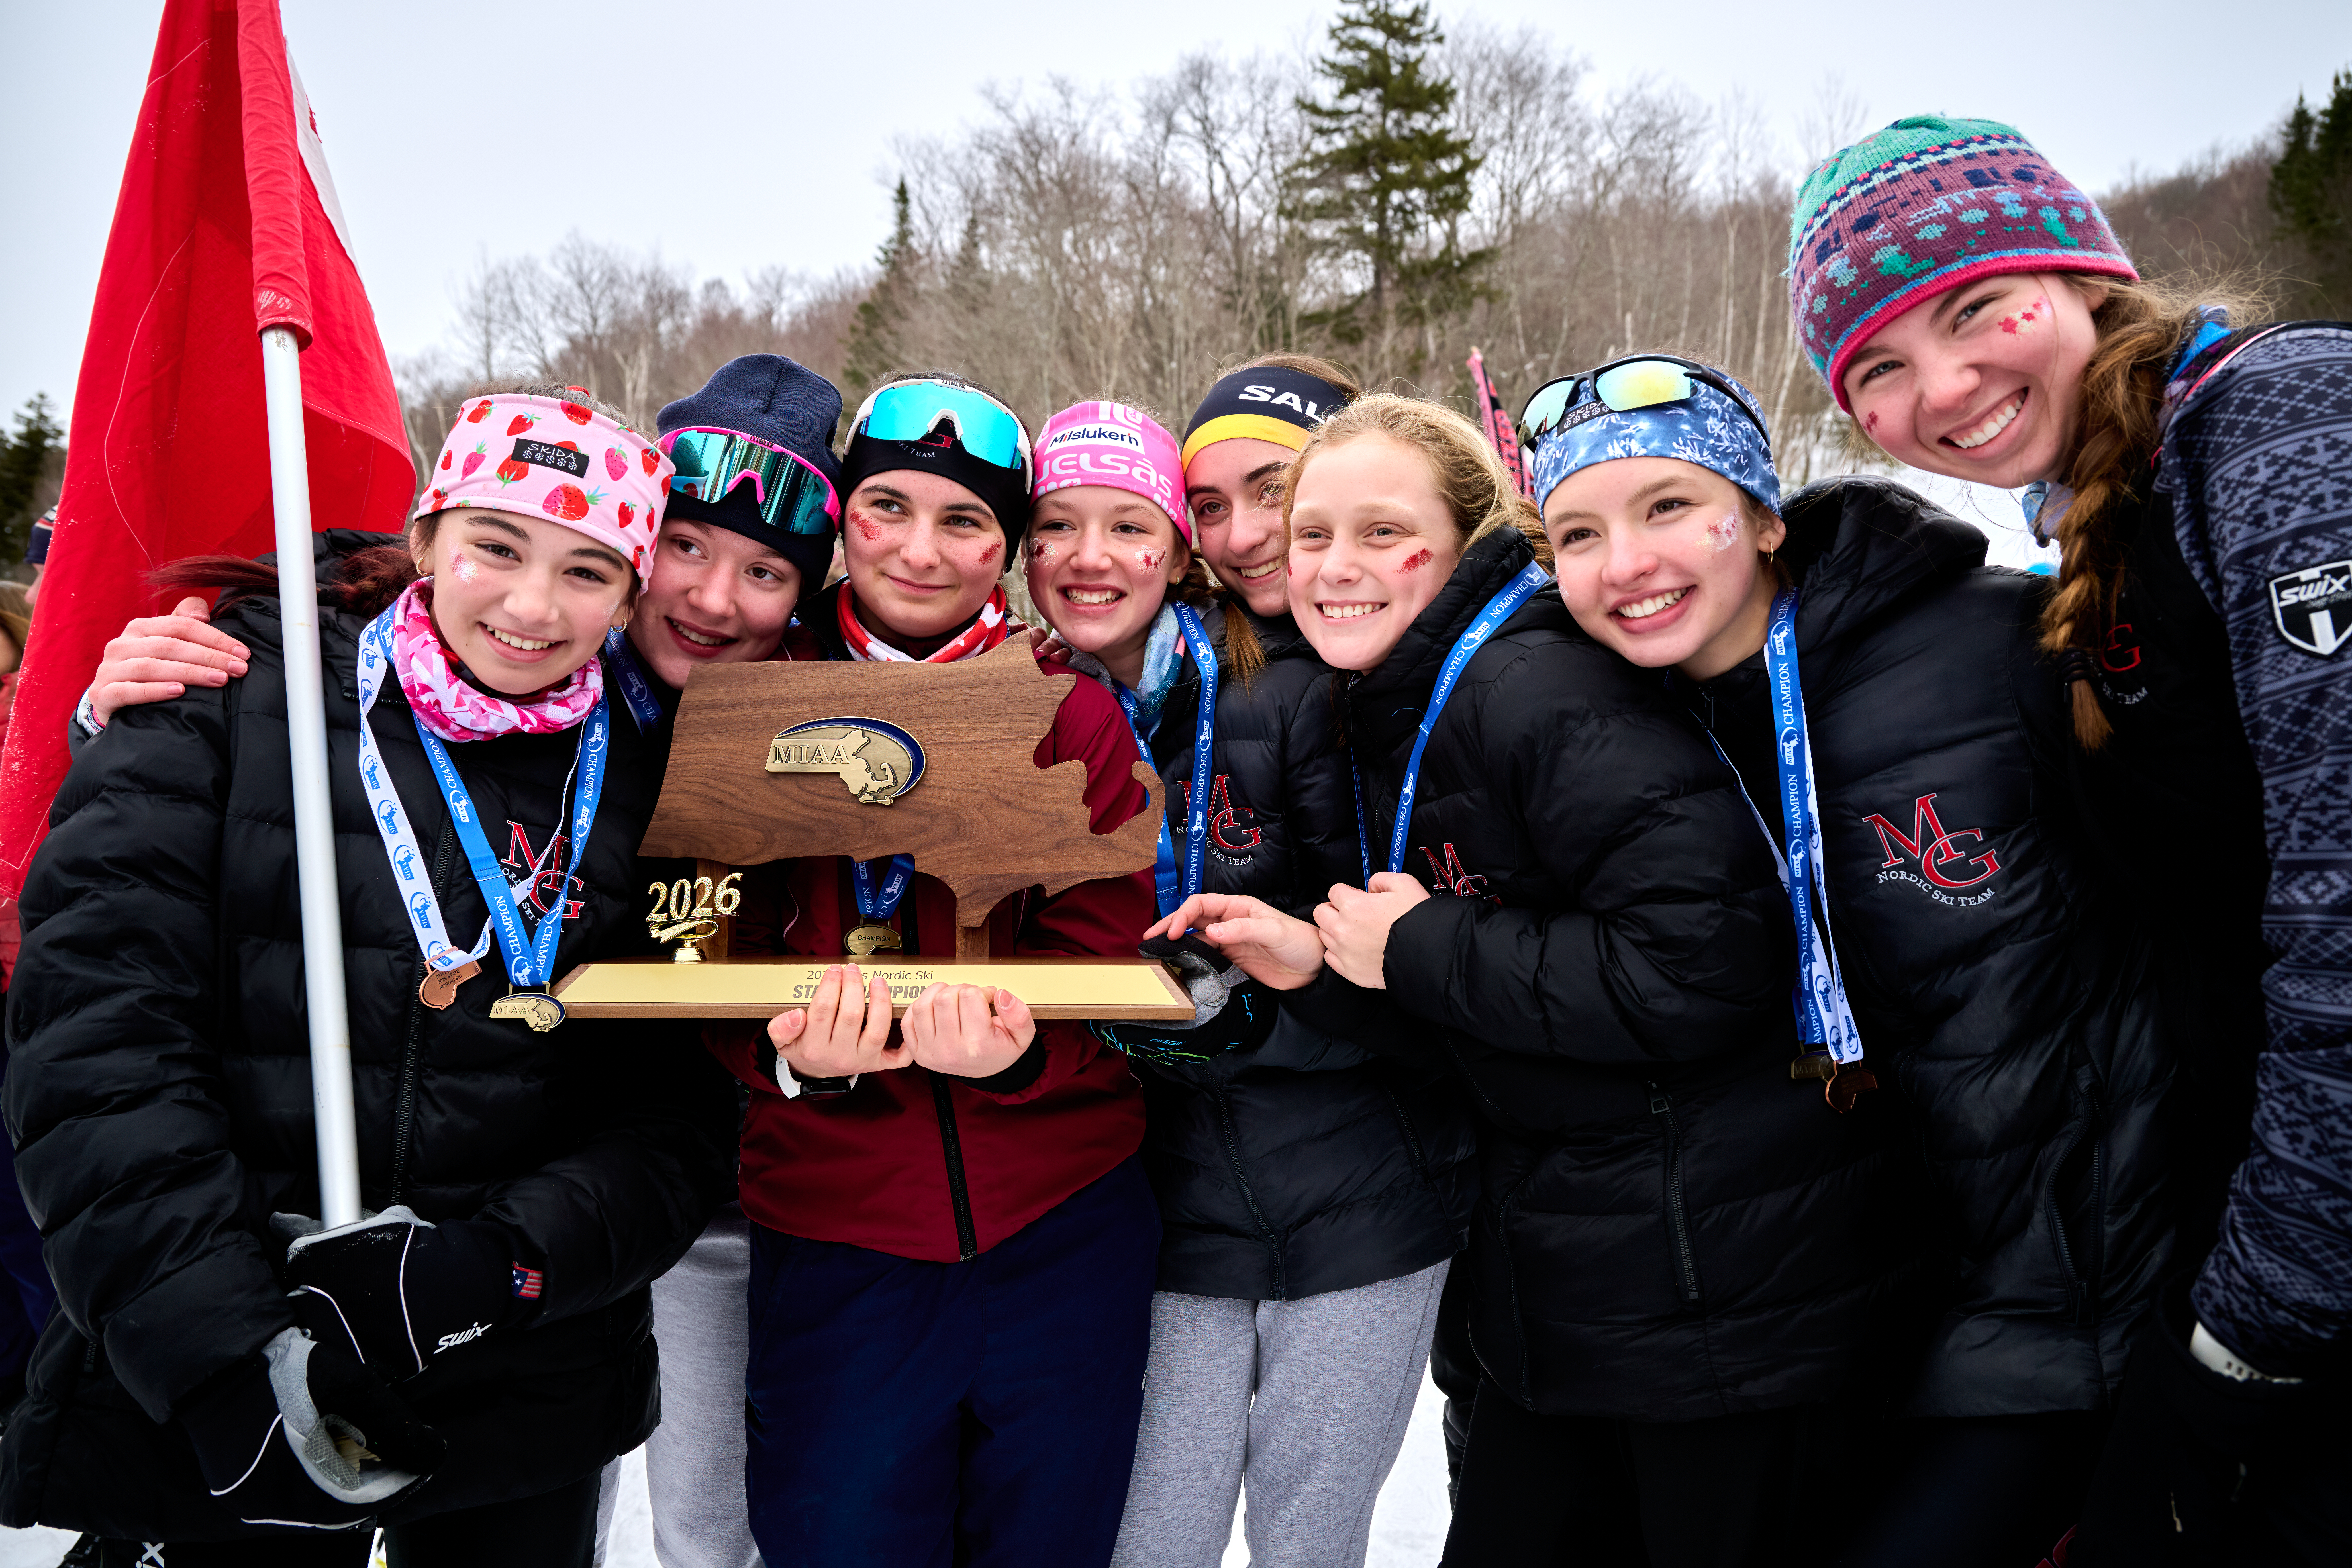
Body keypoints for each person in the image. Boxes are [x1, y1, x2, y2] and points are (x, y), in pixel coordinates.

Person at [74, 358, 845, 1568]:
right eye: (497, 546)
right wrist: (220, 1350)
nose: (535, 606)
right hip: (222, 1366)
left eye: (587, 569)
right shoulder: (226, 688)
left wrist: (490, 1273)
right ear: (427, 534)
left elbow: (670, 1107)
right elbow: (98, 1043)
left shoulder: (657, 784)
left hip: (514, 1389)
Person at [1153, 394, 1906, 1568]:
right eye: (1314, 536)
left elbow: (1707, 969)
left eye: (1383, 532)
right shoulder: (1403, 696)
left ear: (1467, 541)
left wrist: (1415, 947)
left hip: (1711, 1296)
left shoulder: (1535, 688)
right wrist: (1321, 965)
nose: (1336, 568)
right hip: (1574, 1285)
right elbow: (1487, 1008)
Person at [1791, 115, 2351, 1563]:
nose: (1948, 388)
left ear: (2085, 276)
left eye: (1978, 311)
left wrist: (2255, 1317)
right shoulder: (2099, 531)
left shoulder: (2282, 425)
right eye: (1882, 370)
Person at [1526, 351, 2178, 1565]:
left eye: (1669, 506)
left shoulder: (1999, 650)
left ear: (1766, 515)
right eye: (1577, 535)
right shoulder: (1618, 729)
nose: (1626, 565)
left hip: (2072, 1306)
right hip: (1853, 1323)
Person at [703, 371, 1163, 1568]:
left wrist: (1027, 1054)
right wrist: (782, 1052)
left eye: (964, 521)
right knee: (840, 1534)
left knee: (1049, 1539)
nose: (920, 547)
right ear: (843, 518)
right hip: (842, 1223)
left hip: (1058, 1216)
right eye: (886, 508)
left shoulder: (1070, 707)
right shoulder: (754, 696)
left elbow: (1109, 948)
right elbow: (694, 948)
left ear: (1006, 548)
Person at [1019, 381, 1474, 1568]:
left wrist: (1251, 1018)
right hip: (1167, 1208)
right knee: (1150, 1533)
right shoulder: (1032, 707)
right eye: (1212, 503)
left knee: (1309, 1538)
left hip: (1361, 1197)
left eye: (1269, 497)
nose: (1246, 533)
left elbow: (1399, 966)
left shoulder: (1312, 686)